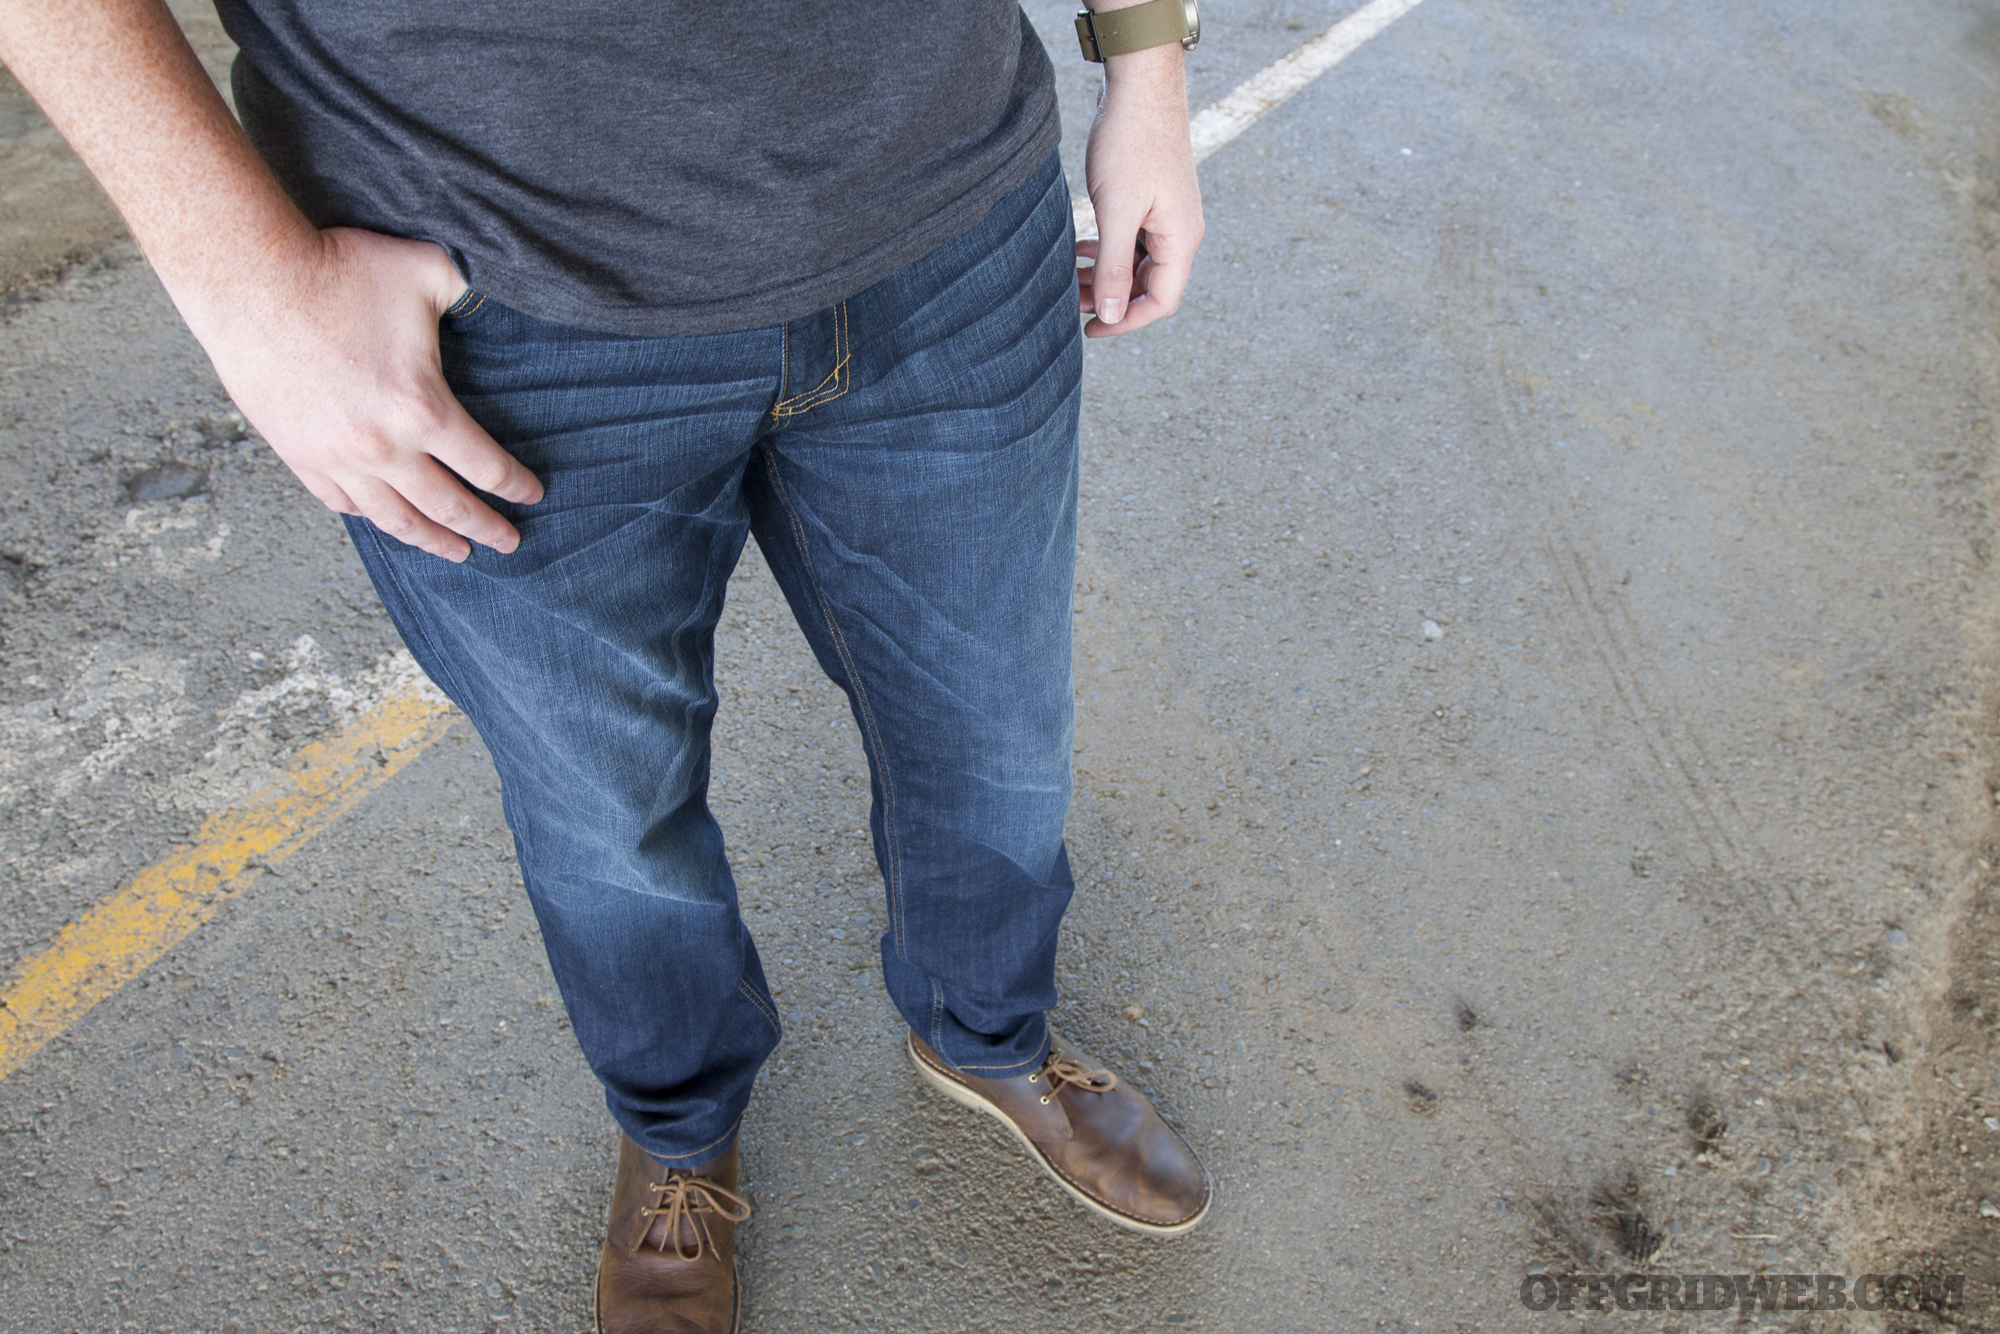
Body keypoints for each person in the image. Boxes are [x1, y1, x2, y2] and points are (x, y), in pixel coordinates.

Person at [0, 0, 1211, 1327]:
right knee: (607, 812)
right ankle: (681, 1125)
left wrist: (1146, 59)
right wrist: (242, 282)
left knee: (996, 734)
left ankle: (990, 1032)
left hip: (950, 222)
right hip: (495, 292)